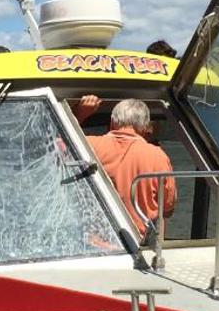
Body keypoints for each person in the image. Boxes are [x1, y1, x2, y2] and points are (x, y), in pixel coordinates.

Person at [75, 96, 176, 233]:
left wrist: (79, 114)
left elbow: (52, 143)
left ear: (112, 122)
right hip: (140, 243)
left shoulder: (88, 145)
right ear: (145, 127)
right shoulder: (159, 156)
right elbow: (168, 208)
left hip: (97, 243)